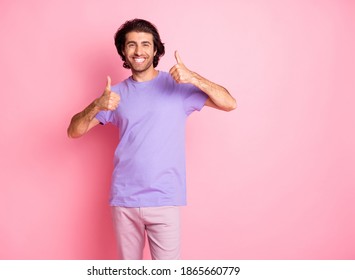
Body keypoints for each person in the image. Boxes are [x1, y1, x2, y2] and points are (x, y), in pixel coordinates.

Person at [67, 18, 236, 260]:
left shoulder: (177, 86)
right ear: (123, 51)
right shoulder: (113, 95)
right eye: (131, 45)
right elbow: (74, 131)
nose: (139, 51)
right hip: (124, 200)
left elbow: (230, 103)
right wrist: (96, 105)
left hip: (164, 199)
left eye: (146, 44)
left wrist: (194, 78)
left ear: (155, 50)